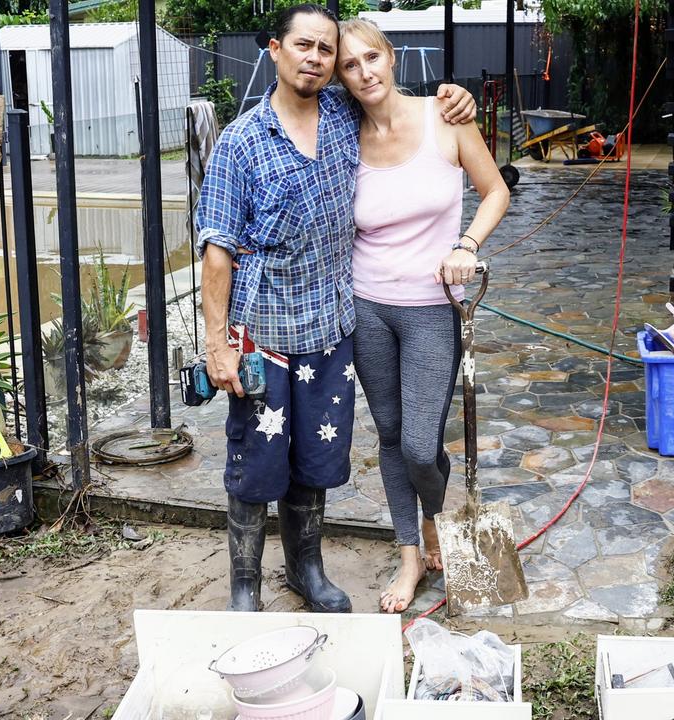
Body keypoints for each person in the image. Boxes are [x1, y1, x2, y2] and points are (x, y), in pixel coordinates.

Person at [195, 3, 477, 613]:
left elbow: (390, 96)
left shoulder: (341, 113)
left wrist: (455, 97)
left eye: (328, 51)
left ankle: (307, 570)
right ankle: (245, 583)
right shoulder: (240, 143)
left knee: (316, 459)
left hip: (331, 329)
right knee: (255, 463)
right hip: (262, 337)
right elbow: (216, 251)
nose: (319, 59)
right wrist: (217, 344)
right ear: (275, 49)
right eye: (306, 46)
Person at [337, 18, 511, 613]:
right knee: (390, 437)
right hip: (367, 309)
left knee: (418, 444)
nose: (364, 73)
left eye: (371, 58)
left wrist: (467, 245)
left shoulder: (447, 117)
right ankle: (411, 554)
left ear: (390, 56)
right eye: (350, 66)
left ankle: (436, 518)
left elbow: (495, 191)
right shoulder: (343, 135)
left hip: (433, 308)